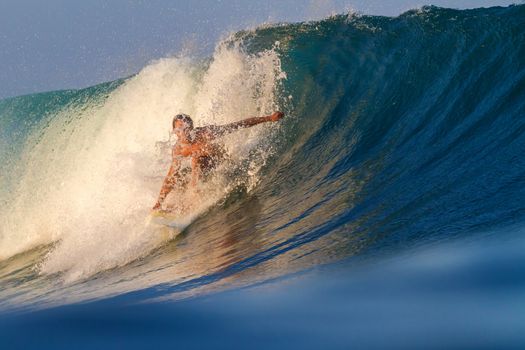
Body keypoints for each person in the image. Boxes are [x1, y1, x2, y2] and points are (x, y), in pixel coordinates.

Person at [153, 111, 284, 210]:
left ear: (192, 127)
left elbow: (239, 125)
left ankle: (193, 200)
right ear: (175, 131)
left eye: (187, 127)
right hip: (203, 169)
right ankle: (177, 203)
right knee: (178, 177)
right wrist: (159, 203)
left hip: (220, 162)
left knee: (196, 159)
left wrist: (268, 118)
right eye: (180, 128)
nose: (184, 131)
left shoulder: (205, 133)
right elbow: (170, 177)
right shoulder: (178, 149)